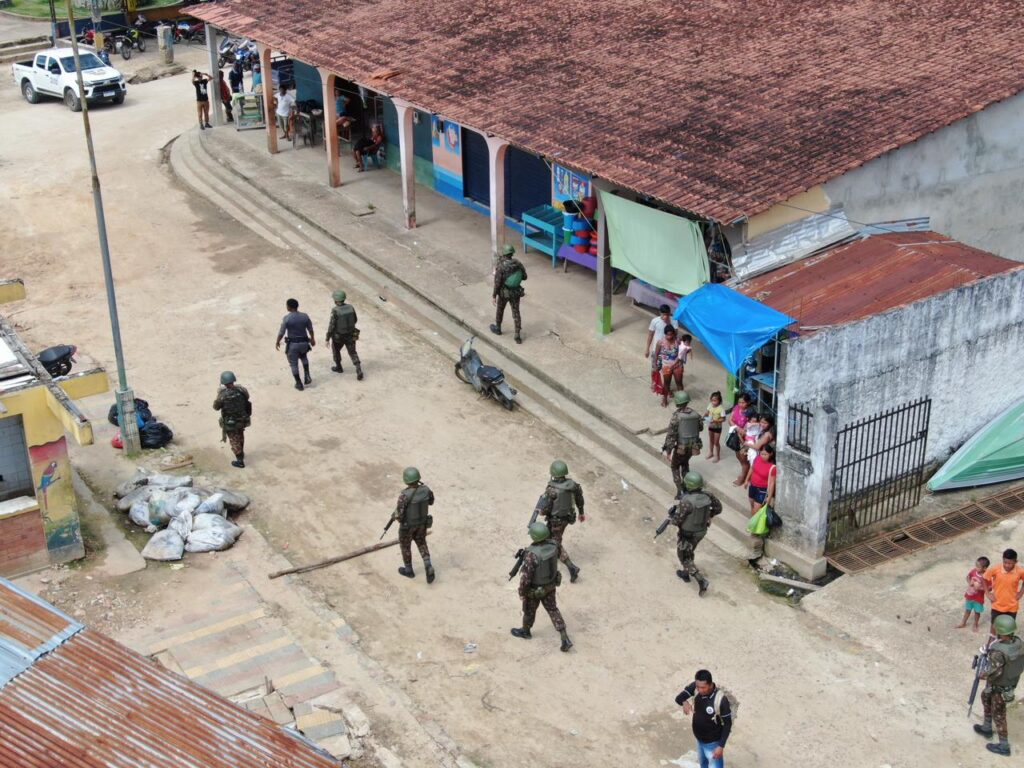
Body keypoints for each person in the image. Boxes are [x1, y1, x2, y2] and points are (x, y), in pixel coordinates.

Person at [511, 522, 573, 652]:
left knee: (529, 611)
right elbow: (563, 556)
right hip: (550, 586)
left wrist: (522, 592)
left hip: (534, 590)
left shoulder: (532, 555)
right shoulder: (555, 545)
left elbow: (526, 579)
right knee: (553, 610)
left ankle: (526, 631)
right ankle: (564, 637)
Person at [973, 614, 1022, 756]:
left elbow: (994, 672)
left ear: (1000, 631)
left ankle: (1004, 746)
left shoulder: (999, 652)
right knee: (985, 697)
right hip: (1009, 683)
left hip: (999, 687)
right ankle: (987, 727)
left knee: (999, 714)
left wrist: (982, 674)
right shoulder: (1019, 643)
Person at [667, 471, 722, 596]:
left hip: (688, 533)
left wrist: (671, 517)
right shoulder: (708, 495)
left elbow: (677, 520)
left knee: (683, 556)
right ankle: (685, 574)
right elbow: (718, 508)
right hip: (701, 531)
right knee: (689, 551)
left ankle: (700, 580)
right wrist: (708, 515)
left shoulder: (686, 501)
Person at [533, 460, 585, 583]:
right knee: (553, 537)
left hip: (556, 521)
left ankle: (571, 567)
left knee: (555, 542)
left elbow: (546, 508)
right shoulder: (573, 485)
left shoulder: (552, 490)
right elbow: (579, 499)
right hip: (568, 518)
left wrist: (542, 512)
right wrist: (581, 512)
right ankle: (554, 554)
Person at [675, 669, 732, 768]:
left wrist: (721, 746)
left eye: (703, 687)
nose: (700, 690)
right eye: (698, 687)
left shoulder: (721, 700)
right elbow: (678, 698)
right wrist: (684, 702)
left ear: (710, 684)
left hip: (713, 743)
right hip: (699, 739)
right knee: (703, 764)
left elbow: (727, 724)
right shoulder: (696, 687)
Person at [390, 467, 435, 583]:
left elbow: (399, 515)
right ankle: (428, 564)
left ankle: (409, 570)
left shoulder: (404, 496)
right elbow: (431, 501)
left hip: (407, 526)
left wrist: (396, 517)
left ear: (406, 480)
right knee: (421, 542)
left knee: (405, 546)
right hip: (422, 524)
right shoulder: (426, 490)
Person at [662, 390, 703, 493]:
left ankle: (680, 491)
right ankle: (688, 487)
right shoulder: (696, 414)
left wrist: (668, 451)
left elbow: (671, 435)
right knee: (685, 465)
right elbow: (700, 427)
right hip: (693, 447)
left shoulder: (677, 417)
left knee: (675, 467)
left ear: (677, 402)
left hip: (681, 448)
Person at [275, 298, 315, 390]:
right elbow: (310, 329)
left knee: (293, 364)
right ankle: (307, 375)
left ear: (289, 307)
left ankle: (299, 383)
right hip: (304, 343)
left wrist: (277, 341)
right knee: (304, 357)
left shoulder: (287, 318)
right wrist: (312, 339)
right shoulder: (305, 316)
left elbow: (281, 332)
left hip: (293, 345)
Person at [490, 244, 527, 343]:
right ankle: (517, 335)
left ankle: (498, 328)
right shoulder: (518, 263)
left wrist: (494, 295)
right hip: (515, 292)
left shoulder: (501, 266)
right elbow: (524, 277)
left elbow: (497, 283)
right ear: (512, 253)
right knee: (516, 313)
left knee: (500, 310)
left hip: (504, 293)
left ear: (504, 254)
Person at [212, 371, 251, 468]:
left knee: (234, 439)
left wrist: (219, 393)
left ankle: (240, 461)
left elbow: (216, 407)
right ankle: (241, 453)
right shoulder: (242, 390)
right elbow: (247, 398)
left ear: (223, 382)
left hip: (231, 422)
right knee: (240, 436)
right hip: (242, 419)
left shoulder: (222, 395)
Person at [326, 289, 363, 380]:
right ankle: (358, 368)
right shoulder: (351, 307)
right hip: (351, 334)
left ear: (336, 300)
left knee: (336, 351)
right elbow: (355, 320)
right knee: (353, 352)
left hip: (339, 336)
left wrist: (327, 338)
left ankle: (339, 367)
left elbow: (332, 326)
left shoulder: (335, 310)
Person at [986, 548, 1024, 627]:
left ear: (1015, 562)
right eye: (1005, 562)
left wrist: (1021, 593)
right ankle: (992, 638)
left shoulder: (1020, 571)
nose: (1007, 565)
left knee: (1009, 627)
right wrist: (987, 593)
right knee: (994, 625)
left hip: (1012, 605)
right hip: (997, 604)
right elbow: (984, 578)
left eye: (1010, 563)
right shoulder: (996, 569)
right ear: (1002, 560)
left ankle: (1008, 639)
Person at [743, 443, 777, 517]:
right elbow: (752, 468)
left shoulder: (772, 467)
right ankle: (753, 521)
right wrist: (746, 480)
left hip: (762, 490)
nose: (763, 456)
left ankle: (754, 525)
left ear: (770, 454)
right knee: (752, 505)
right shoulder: (757, 458)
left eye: (765, 454)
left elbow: (771, 484)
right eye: (762, 454)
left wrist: (769, 497)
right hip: (752, 486)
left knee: (756, 509)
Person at [958, 556, 991, 631]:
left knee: (977, 612)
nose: (976, 568)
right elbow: (967, 577)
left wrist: (980, 588)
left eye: (978, 567)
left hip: (978, 598)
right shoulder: (973, 571)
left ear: (985, 568)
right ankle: (963, 623)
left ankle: (975, 624)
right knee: (967, 610)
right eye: (976, 566)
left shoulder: (986, 576)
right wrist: (970, 583)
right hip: (969, 596)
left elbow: (990, 588)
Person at [728, 394, 753, 486]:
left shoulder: (750, 413)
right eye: (739, 402)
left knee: (744, 460)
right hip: (736, 437)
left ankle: (742, 478)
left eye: (743, 402)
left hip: (745, 440)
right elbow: (730, 420)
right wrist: (738, 428)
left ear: (748, 402)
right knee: (738, 456)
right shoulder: (736, 408)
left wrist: (741, 430)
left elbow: (749, 428)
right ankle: (746, 474)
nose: (741, 404)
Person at [655, 325, 683, 406]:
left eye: (671, 334)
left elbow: (683, 351)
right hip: (666, 366)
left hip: (677, 365)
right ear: (665, 334)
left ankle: (681, 400)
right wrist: (655, 365)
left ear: (674, 334)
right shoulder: (660, 342)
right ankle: (664, 398)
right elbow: (656, 355)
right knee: (666, 383)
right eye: (667, 335)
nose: (669, 336)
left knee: (679, 383)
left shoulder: (678, 341)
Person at [644, 304, 673, 369]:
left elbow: (675, 335)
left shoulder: (674, 321)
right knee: (655, 368)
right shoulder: (655, 321)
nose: (665, 316)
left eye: (667, 314)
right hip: (656, 351)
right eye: (663, 314)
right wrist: (647, 349)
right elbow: (650, 335)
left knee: (667, 370)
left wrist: (668, 323)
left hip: (668, 351)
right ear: (660, 312)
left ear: (669, 313)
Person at [704, 391, 725, 462]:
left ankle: (717, 456)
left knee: (716, 442)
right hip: (710, 426)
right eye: (712, 400)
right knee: (711, 440)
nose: (713, 402)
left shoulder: (721, 409)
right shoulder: (710, 405)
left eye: (715, 401)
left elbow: (723, 419)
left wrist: (716, 421)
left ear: (719, 401)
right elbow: (707, 412)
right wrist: (705, 415)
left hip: (717, 427)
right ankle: (711, 452)